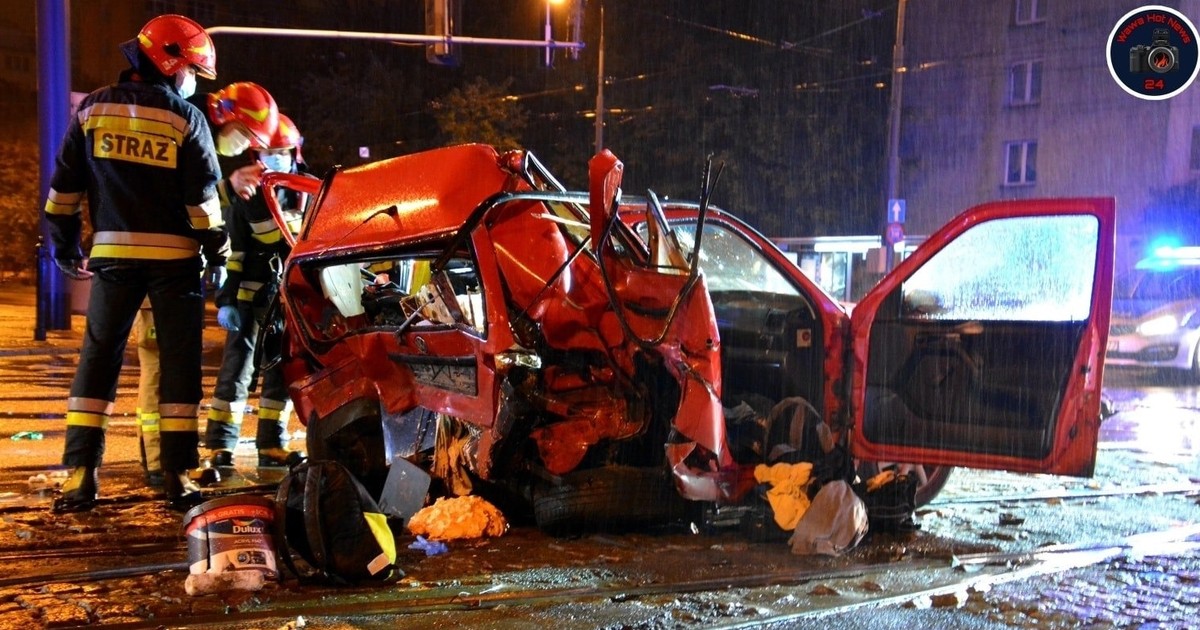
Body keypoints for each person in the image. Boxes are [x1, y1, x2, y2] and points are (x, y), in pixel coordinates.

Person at [45, 14, 227, 512]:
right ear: (170, 64)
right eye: (190, 69)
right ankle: (175, 475)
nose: (191, 81)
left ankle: (81, 476)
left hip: (113, 259)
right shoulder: (185, 120)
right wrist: (218, 249)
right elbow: (203, 202)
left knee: (98, 361)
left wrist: (63, 244)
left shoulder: (92, 110)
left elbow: (64, 189)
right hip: (175, 265)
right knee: (177, 366)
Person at [132, 82, 280, 488]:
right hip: (155, 273)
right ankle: (162, 466)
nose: (248, 146)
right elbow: (177, 203)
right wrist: (227, 190)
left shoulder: (196, 141)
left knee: (175, 372)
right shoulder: (185, 135)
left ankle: (170, 464)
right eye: (248, 135)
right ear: (230, 120)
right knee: (160, 371)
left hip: (174, 278)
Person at [204, 114, 307, 469]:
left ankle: (272, 445)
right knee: (237, 374)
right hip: (250, 300)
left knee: (281, 374)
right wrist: (227, 301)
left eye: (281, 151)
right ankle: (221, 447)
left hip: (291, 302)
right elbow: (236, 252)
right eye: (267, 152)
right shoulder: (250, 192)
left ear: (295, 151)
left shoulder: (310, 191)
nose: (275, 158)